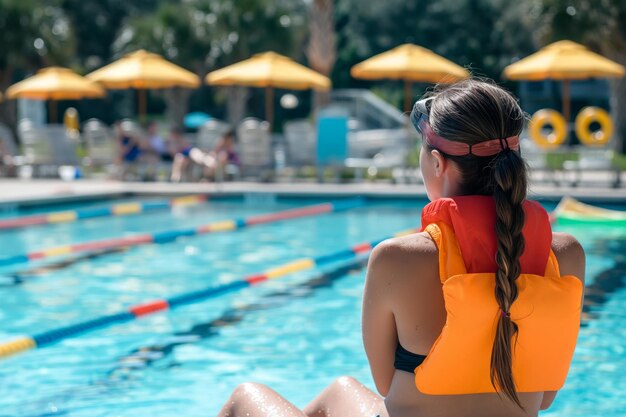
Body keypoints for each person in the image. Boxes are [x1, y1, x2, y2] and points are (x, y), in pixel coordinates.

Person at [216, 79, 586, 417]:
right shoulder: (566, 255)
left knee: (246, 396)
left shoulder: (397, 259)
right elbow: (547, 394)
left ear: (438, 162)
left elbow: (386, 384)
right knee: (340, 391)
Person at [170, 129, 239, 182]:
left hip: (217, 166)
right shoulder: (220, 146)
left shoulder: (230, 150)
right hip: (209, 162)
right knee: (183, 157)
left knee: (194, 156)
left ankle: (205, 176)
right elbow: (214, 153)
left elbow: (233, 160)